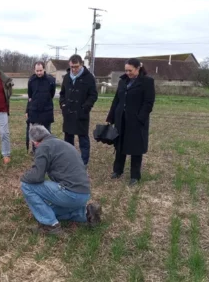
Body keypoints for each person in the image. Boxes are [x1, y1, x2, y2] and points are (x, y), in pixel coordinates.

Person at [20, 125, 102, 236]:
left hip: (70, 194)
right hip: (84, 193)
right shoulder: (64, 144)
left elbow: (37, 176)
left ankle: (50, 225)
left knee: (26, 185)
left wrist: (23, 177)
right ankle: (86, 214)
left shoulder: (44, 146)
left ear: (35, 142)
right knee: (48, 211)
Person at [106, 58, 155, 186]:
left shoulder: (147, 82)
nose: (128, 73)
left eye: (130, 70)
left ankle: (135, 176)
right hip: (120, 119)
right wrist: (111, 117)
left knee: (135, 149)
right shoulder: (123, 81)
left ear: (138, 68)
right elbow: (116, 99)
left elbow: (148, 103)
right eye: (126, 70)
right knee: (120, 146)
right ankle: (117, 171)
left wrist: (140, 118)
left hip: (136, 121)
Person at [59, 54, 98, 167]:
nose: (74, 69)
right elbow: (62, 94)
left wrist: (85, 107)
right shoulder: (67, 77)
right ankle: (69, 160)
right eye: (72, 67)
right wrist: (63, 105)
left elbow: (93, 95)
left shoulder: (89, 77)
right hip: (68, 113)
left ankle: (83, 162)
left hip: (81, 113)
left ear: (81, 64)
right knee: (68, 139)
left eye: (76, 66)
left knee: (83, 139)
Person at [25, 61, 56, 153]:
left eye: (40, 70)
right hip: (34, 111)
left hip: (46, 110)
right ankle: (36, 151)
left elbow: (52, 94)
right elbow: (30, 96)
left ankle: (47, 150)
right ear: (34, 70)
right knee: (35, 132)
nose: (39, 73)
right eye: (37, 71)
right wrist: (27, 110)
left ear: (44, 69)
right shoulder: (31, 80)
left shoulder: (51, 80)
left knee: (46, 132)